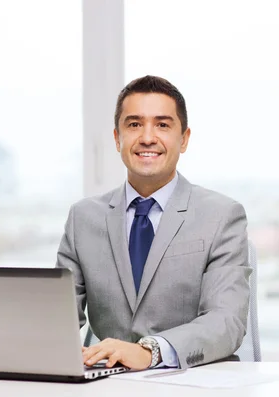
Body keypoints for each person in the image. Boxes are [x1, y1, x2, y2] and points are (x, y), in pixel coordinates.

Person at [56, 75, 251, 370]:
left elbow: (226, 321)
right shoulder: (82, 218)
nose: (147, 137)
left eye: (162, 125)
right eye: (134, 124)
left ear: (183, 139)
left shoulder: (222, 216)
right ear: (116, 138)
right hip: (106, 384)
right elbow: (58, 321)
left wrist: (151, 352)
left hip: (191, 383)